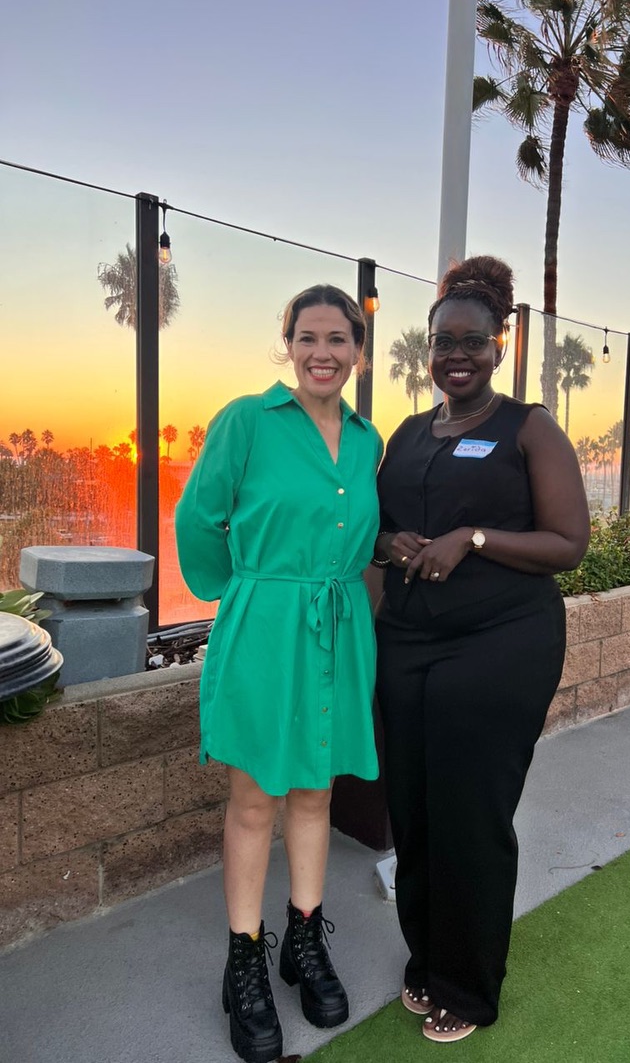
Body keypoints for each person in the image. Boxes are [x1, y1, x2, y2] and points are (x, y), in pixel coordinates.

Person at [371, 255, 590, 1043]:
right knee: (414, 808)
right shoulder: (405, 433)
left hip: (501, 644)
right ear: (426, 349)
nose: (455, 355)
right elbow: (375, 523)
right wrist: (392, 539)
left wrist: (475, 537)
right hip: (407, 643)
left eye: (472, 340)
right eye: (441, 342)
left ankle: (468, 983)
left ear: (501, 343)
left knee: (471, 814)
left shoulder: (527, 426)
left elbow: (569, 543)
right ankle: (426, 957)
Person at [175, 284, 383, 1063]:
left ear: (358, 351)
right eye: (308, 337)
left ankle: (303, 937)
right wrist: (246, 593)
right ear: (287, 344)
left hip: (339, 630)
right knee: (256, 796)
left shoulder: (369, 440)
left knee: (316, 790)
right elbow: (198, 518)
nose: (322, 353)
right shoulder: (246, 421)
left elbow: (361, 537)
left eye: (338, 339)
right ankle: (243, 960)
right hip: (265, 627)